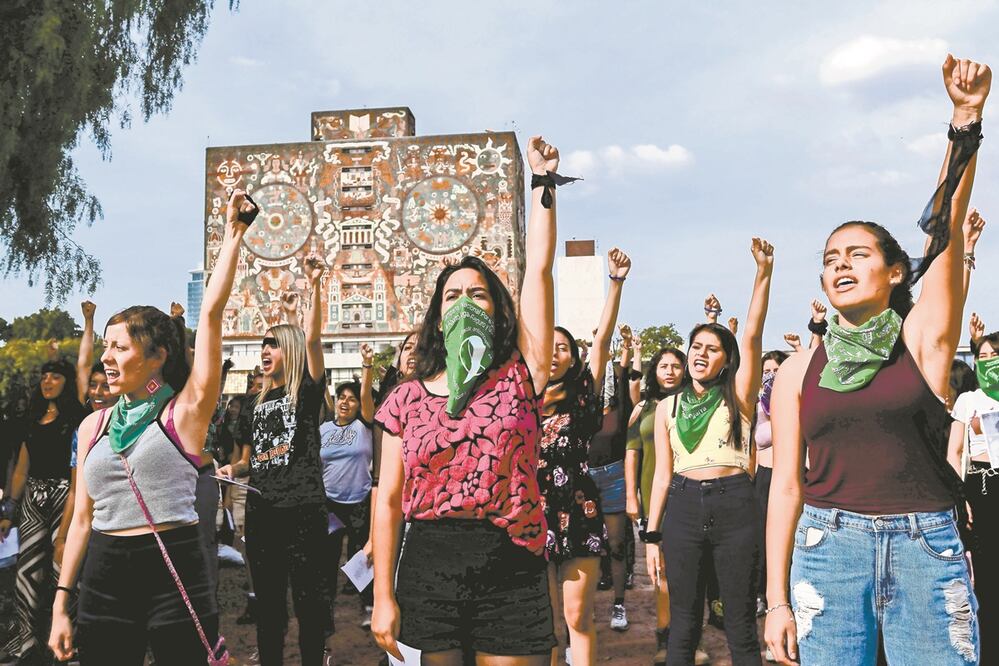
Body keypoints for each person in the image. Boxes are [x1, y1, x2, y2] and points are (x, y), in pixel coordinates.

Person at [764, 55, 989, 666]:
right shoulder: (797, 370)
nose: (839, 264)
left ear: (895, 273)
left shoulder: (922, 342)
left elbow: (942, 238)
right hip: (827, 549)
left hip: (926, 548)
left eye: (857, 254)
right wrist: (776, 601)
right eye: (831, 256)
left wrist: (964, 122)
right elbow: (785, 484)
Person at [370, 135, 560, 665]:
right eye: (452, 296)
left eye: (477, 294)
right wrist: (382, 596)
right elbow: (386, 501)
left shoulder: (521, 375)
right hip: (430, 564)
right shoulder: (404, 400)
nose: (464, 304)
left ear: (499, 311)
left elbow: (540, 272)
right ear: (436, 315)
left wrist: (542, 184)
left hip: (512, 561)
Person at [46, 190, 254, 664]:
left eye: (119, 347)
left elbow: (212, 313)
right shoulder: (92, 426)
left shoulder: (184, 413)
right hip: (102, 577)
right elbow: (81, 519)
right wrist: (62, 603)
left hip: (173, 571)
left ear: (157, 356)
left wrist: (233, 235)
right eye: (105, 346)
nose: (106, 357)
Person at [646, 237, 775, 666]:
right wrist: (651, 534)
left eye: (712, 348)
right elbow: (663, 475)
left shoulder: (737, 395)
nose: (701, 354)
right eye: (695, 347)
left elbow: (753, 333)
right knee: (683, 622)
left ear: (726, 360)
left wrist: (762, 274)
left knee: (739, 620)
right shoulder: (668, 406)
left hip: (735, 503)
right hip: (682, 506)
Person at [219, 253, 332, 666]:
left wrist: (314, 286)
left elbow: (314, 340)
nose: (264, 350)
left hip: (304, 511)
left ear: (289, 350)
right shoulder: (252, 402)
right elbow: (251, 458)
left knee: (310, 605)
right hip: (263, 511)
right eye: (262, 344)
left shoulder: (306, 394)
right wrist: (232, 469)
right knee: (268, 605)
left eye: (273, 344)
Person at [542, 247, 630, 666]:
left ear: (573, 357)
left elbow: (602, 341)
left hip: (578, 508)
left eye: (563, 347)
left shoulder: (583, 396)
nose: (555, 352)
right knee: (544, 622)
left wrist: (615, 285)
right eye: (549, 346)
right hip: (533, 512)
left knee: (577, 615)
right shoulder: (522, 397)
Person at [627, 346, 711, 666]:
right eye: (664, 366)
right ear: (655, 371)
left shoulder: (697, 403)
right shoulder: (643, 409)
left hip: (691, 497)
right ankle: (665, 638)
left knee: (693, 572)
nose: (670, 371)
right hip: (654, 499)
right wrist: (632, 497)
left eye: (676, 365)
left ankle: (694, 640)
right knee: (661, 574)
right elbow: (632, 451)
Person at [0, 357, 86, 663]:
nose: (47, 382)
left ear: (67, 382)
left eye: (55, 377)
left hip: (66, 498)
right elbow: (21, 471)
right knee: (27, 573)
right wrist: (8, 509)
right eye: (44, 377)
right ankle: (27, 646)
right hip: (34, 500)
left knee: (62, 571)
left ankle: (66, 643)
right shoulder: (31, 421)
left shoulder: (77, 419)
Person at [949, 329, 999, 662]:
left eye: (993, 355)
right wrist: (958, 494)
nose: (987, 362)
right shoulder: (969, 400)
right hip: (980, 487)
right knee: (985, 574)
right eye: (981, 357)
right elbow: (954, 452)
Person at [320, 343, 376, 630]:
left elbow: (366, 396)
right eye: (340, 397)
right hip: (330, 504)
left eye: (351, 399)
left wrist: (366, 366)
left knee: (362, 557)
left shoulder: (364, 426)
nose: (345, 402)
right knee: (326, 561)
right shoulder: (324, 430)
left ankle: (368, 606)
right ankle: (325, 614)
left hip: (360, 502)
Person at [588, 325, 637, 634]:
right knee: (587, 547)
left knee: (616, 544)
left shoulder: (620, 403)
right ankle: (586, 605)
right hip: (584, 479)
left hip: (615, 475)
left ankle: (618, 604)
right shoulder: (582, 402)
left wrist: (627, 348)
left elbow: (624, 372)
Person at [753, 351, 789, 629]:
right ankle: (762, 595)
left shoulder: (794, 401)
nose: (771, 375)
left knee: (787, 542)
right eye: (767, 370)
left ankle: (785, 600)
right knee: (762, 542)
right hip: (763, 478)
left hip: (790, 477)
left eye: (777, 369)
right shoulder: (756, 407)